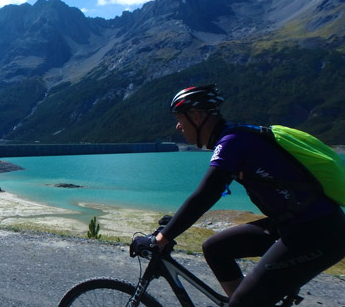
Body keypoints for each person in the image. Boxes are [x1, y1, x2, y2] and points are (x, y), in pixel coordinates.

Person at [138, 85, 345, 306]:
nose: (178, 126)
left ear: (197, 117)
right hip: (293, 224)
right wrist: (174, 226)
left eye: (179, 118)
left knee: (243, 304)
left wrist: (161, 239)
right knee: (215, 249)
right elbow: (206, 195)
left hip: (319, 233)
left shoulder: (233, 142)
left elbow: (205, 195)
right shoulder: (235, 136)